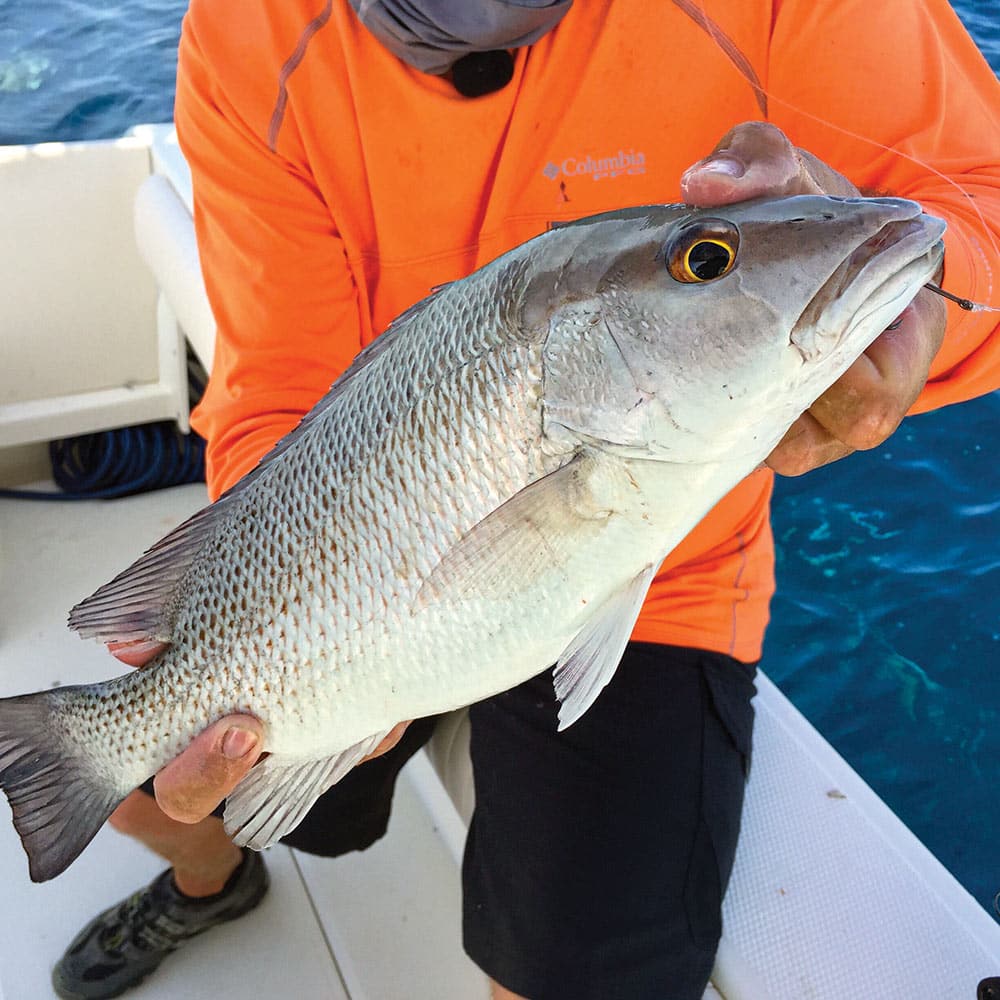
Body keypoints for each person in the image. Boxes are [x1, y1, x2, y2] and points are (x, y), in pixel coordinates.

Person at [52, 2, 1000, 998]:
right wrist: (303, 627)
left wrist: (926, 304)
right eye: (708, 262)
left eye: (704, 261)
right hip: (364, 552)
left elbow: (973, 208)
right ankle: (211, 882)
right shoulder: (250, 32)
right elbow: (280, 386)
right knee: (144, 789)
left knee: (572, 981)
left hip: (656, 571)